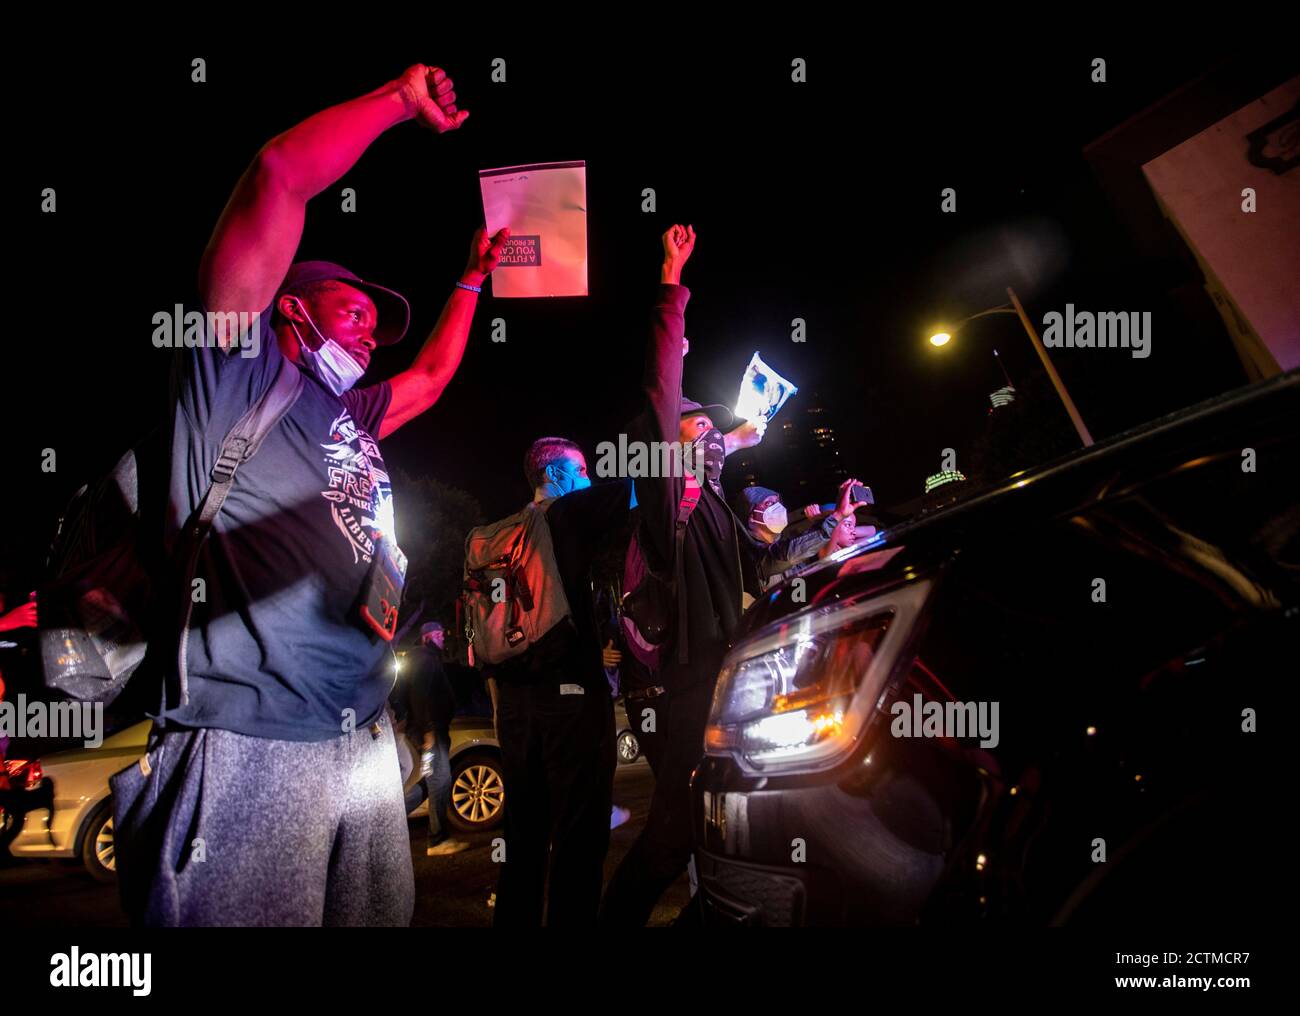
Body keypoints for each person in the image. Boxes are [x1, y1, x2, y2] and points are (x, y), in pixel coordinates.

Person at [109, 63, 507, 927]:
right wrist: (401, 104)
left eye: (377, 320)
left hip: (361, 735)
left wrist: (473, 275)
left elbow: (432, 379)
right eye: (353, 308)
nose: (369, 328)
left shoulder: (351, 410)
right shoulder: (233, 369)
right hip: (251, 740)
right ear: (289, 306)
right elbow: (279, 176)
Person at [600, 225, 869, 926]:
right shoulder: (667, 499)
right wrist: (671, 282)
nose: (715, 436)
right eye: (700, 428)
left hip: (716, 683)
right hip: (675, 690)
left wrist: (825, 535)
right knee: (675, 834)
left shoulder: (715, 507)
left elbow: (766, 566)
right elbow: (662, 391)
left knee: (713, 826)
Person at [487, 439, 633, 926]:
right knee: (580, 834)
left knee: (523, 834)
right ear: (558, 475)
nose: (589, 476)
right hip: (571, 698)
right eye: (583, 468)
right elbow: (648, 487)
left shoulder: (500, 534)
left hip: (514, 705)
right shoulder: (566, 514)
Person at [403, 622, 468, 856]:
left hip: (434, 730)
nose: (442, 637)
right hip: (431, 733)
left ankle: (391, 821)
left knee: (433, 780)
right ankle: (437, 840)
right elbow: (419, 694)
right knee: (439, 780)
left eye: (442, 633)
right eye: (437, 634)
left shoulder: (428, 658)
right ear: (426, 638)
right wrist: (427, 731)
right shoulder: (424, 658)